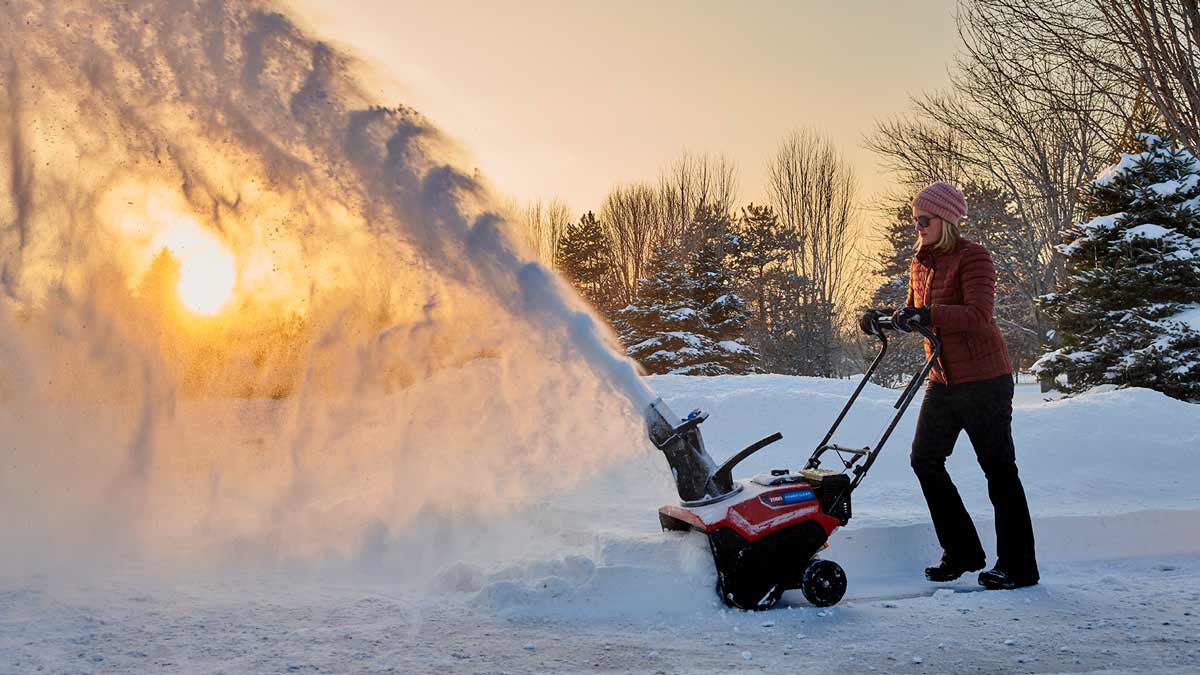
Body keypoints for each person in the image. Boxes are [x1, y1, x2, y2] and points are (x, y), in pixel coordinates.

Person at [859, 181, 1039, 590]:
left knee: (998, 471)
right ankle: (962, 551)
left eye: (925, 219)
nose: (918, 226)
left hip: (984, 380)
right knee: (924, 459)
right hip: (942, 377)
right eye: (915, 220)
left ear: (946, 220)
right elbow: (916, 312)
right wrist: (881, 317)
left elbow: (978, 314)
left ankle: (1019, 566)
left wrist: (926, 313)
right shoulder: (920, 262)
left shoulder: (974, 257)